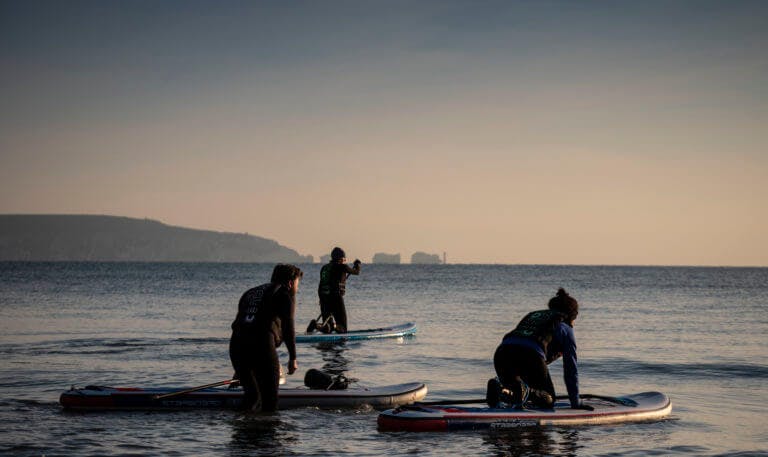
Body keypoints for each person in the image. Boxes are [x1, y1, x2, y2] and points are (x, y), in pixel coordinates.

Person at [488, 288, 593, 411]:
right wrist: (575, 403)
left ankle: (501, 389)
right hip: (530, 355)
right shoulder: (566, 328)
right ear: (572, 316)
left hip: (502, 353)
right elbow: (571, 370)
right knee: (548, 400)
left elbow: (522, 342)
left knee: (516, 389)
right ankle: (526, 392)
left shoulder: (534, 315)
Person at [229, 264, 302, 412]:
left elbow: (240, 324)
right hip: (261, 345)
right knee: (269, 402)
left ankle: (240, 430)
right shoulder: (284, 293)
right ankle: (267, 431)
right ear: (290, 282)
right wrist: (293, 358)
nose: (297, 289)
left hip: (236, 347)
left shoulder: (250, 292)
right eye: (297, 284)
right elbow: (288, 327)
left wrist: (240, 367)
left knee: (252, 397)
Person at [316, 247, 361, 333]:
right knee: (343, 328)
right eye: (344, 258)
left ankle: (316, 325)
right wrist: (358, 264)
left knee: (327, 328)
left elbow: (321, 285)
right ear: (341, 258)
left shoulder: (324, 268)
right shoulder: (342, 267)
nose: (345, 260)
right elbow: (356, 272)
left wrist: (320, 299)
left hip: (324, 298)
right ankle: (335, 326)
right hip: (336, 298)